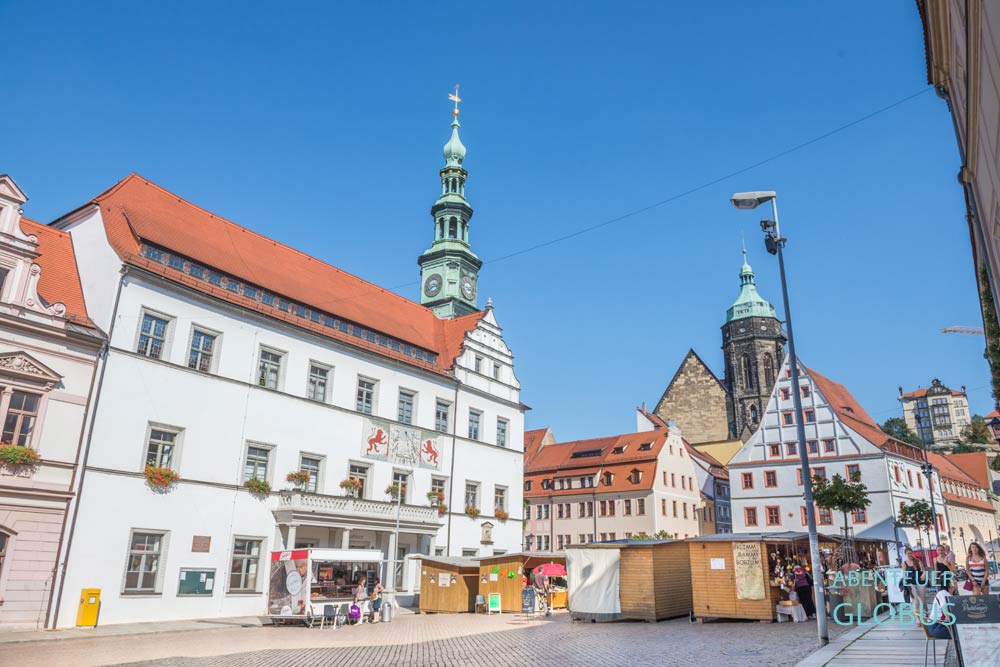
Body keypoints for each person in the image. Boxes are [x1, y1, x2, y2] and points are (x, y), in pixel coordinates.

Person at [924, 575, 957, 639]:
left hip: (939, 625)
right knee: (964, 632)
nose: (956, 581)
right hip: (938, 627)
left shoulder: (948, 594)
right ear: (948, 584)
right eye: (953, 580)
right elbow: (948, 615)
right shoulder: (943, 594)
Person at [901, 547, 928, 613]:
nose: (910, 554)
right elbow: (904, 574)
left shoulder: (918, 561)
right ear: (905, 554)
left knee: (922, 599)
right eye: (908, 553)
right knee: (915, 599)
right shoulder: (904, 563)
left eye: (911, 553)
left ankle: (925, 612)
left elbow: (923, 570)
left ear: (912, 553)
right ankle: (917, 617)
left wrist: (924, 574)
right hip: (911, 583)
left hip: (920, 582)